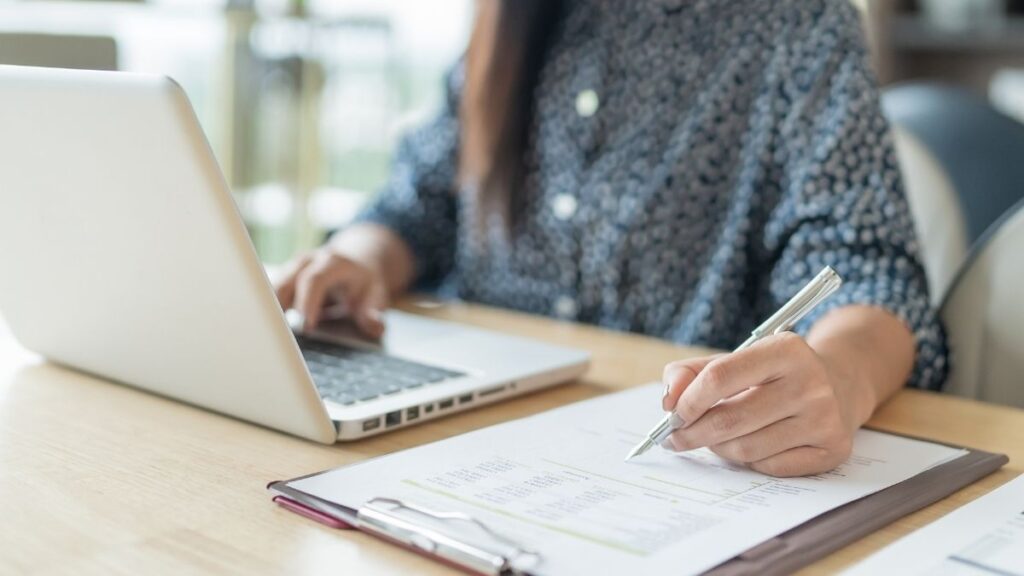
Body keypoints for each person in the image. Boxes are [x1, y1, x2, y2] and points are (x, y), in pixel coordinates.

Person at [274, 0, 948, 476]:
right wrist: (357, 259)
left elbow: (868, 272)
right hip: (463, 438)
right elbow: (415, 202)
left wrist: (839, 376)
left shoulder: (798, 26)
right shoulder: (511, 20)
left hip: (677, 457)